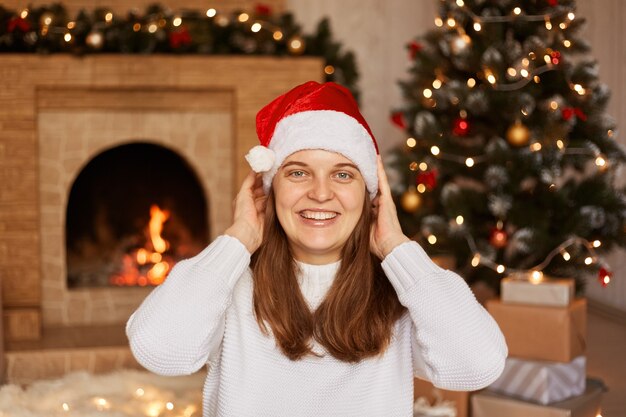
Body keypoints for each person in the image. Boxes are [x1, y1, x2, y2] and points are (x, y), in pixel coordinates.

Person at [126, 81, 507, 417]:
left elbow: (478, 365)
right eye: (298, 172)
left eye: (343, 174)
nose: (321, 193)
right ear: (269, 191)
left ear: (371, 195)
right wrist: (239, 237)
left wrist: (396, 246)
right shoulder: (230, 284)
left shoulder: (403, 292)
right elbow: (160, 350)